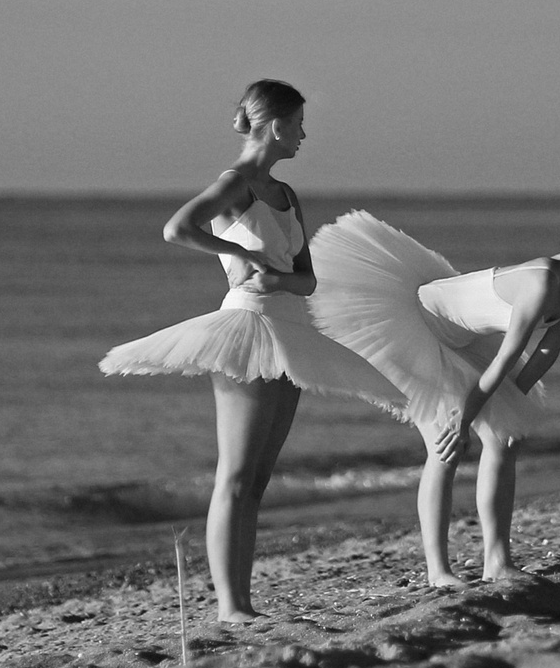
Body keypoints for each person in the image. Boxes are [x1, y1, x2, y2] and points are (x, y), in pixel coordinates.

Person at [100, 80, 397, 624]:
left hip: (290, 330)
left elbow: (306, 281)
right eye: (300, 124)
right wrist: (236, 249)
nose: (305, 134)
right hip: (246, 328)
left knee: (258, 479)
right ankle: (230, 607)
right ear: (275, 124)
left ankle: (243, 602)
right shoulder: (234, 184)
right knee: (235, 475)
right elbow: (178, 228)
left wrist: (282, 280)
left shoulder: (286, 194)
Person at [309, 206, 560, 588]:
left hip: (467, 340)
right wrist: (465, 418)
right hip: (419, 325)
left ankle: (498, 563)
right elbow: (506, 356)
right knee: (445, 445)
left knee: (505, 438)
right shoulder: (544, 282)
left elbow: (550, 347)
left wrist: (510, 403)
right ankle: (438, 573)